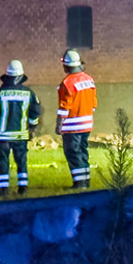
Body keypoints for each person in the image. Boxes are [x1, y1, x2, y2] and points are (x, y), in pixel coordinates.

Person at [0, 60, 41, 195]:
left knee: (3, 161)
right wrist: (32, 127)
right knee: (21, 161)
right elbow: (35, 112)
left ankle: (2, 189)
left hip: (3, 136)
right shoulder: (30, 93)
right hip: (21, 135)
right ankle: (23, 187)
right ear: (21, 77)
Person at [56, 48, 98, 189]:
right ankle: (86, 180)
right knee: (83, 151)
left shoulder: (67, 83)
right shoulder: (89, 79)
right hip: (86, 124)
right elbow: (93, 104)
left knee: (72, 153)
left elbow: (64, 106)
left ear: (66, 65)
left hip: (72, 126)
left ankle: (79, 183)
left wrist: (59, 124)